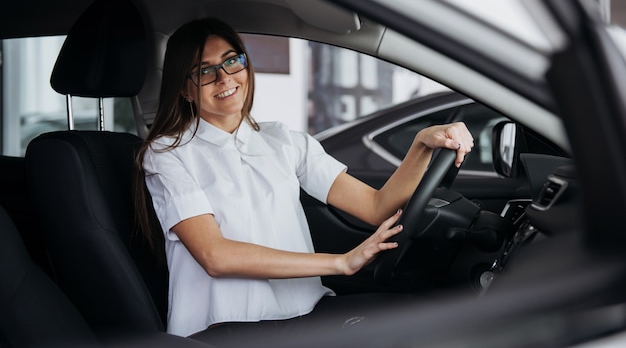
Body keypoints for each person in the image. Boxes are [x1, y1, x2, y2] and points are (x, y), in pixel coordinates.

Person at [134, 18, 474, 342]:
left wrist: (422, 145)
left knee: (426, 321)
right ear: (186, 90)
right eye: (204, 71)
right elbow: (215, 256)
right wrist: (340, 262)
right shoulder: (167, 154)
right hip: (223, 330)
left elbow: (375, 207)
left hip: (305, 313)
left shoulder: (283, 140)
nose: (224, 78)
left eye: (231, 61)